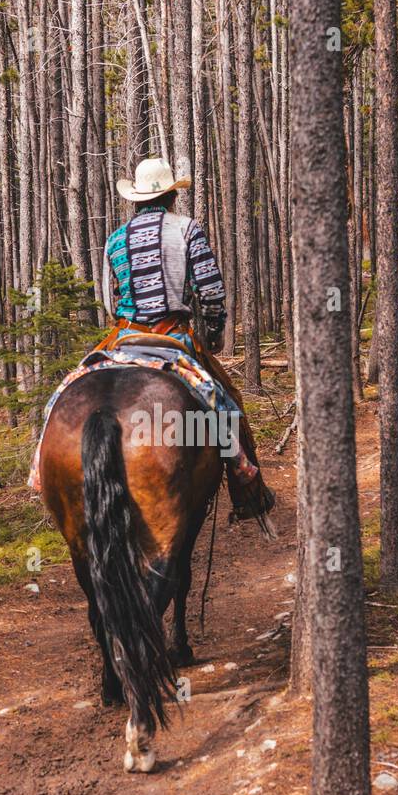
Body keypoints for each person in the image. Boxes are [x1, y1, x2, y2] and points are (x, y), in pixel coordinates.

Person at [99, 156, 275, 522]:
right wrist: (213, 334)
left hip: (125, 335)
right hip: (172, 333)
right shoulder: (187, 229)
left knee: (74, 384)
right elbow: (210, 291)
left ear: (136, 199)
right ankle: (245, 484)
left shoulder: (115, 241)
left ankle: (41, 467)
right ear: (170, 198)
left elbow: (107, 298)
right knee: (226, 402)